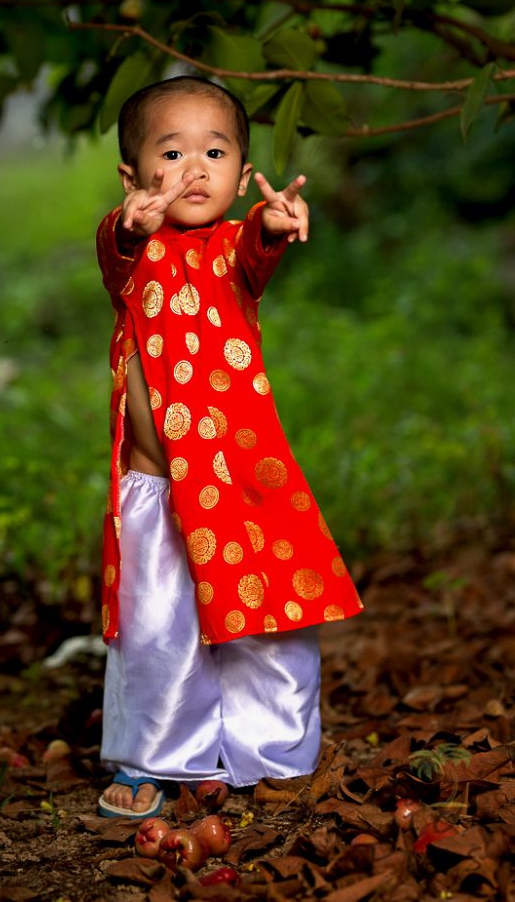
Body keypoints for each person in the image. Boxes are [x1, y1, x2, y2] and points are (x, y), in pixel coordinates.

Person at [95, 76, 362, 819]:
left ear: (243, 174)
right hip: (156, 487)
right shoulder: (135, 253)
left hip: (244, 482)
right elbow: (113, 247)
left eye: (214, 152)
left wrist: (275, 224)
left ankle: (271, 754)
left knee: (267, 622)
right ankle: (154, 757)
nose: (194, 169)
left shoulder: (231, 250)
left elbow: (257, 250)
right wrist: (126, 226)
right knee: (156, 628)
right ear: (132, 176)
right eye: (171, 151)